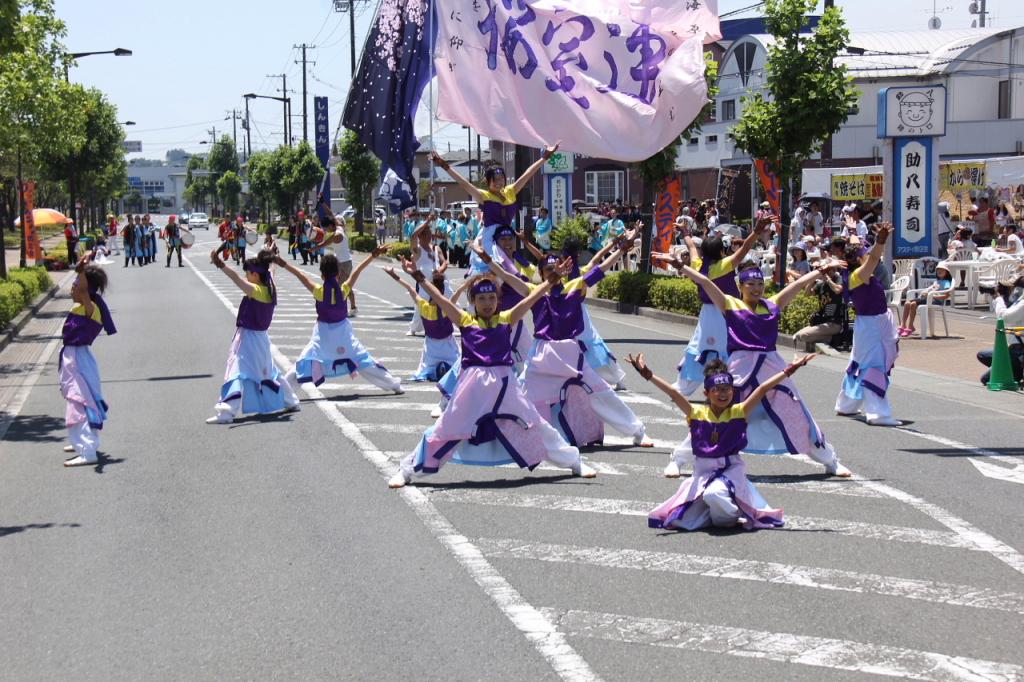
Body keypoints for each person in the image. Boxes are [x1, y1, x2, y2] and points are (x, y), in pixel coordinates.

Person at [387, 263, 599, 488]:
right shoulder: (465, 320)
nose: (487, 303)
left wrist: (550, 281)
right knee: (444, 429)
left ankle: (574, 463)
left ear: (498, 300)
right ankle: (407, 470)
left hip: (506, 388)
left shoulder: (506, 319)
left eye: (491, 298)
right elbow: (440, 299)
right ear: (473, 302)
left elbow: (530, 299)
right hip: (472, 391)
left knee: (536, 424)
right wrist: (420, 277)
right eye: (481, 299)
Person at [674, 259, 851, 477]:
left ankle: (830, 460)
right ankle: (679, 459)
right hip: (740, 367)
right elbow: (705, 282)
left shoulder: (772, 305)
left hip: (772, 366)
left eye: (759, 284)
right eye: (751, 284)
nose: (756, 288)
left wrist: (819, 271)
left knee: (797, 413)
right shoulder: (730, 304)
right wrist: (679, 266)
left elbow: (795, 286)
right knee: (717, 416)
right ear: (741, 286)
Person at [634, 355, 812, 530]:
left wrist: (789, 369)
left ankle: (735, 516)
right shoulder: (696, 413)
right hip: (703, 473)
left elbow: (764, 388)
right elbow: (673, 392)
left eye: (727, 389)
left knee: (714, 495)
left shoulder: (739, 411)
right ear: (706, 392)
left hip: (730, 470)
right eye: (717, 389)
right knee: (682, 521)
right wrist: (648, 375)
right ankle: (723, 515)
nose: (723, 393)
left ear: (732, 391)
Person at [517, 237, 651, 448]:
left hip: (571, 353)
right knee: (520, 393)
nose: (554, 271)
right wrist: (487, 258)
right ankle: (513, 436)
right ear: (541, 273)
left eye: (557, 267)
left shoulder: (574, 286)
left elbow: (602, 267)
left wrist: (620, 251)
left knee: (602, 393)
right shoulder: (535, 292)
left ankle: (637, 430)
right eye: (549, 269)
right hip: (542, 354)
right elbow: (506, 276)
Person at [657, 215, 772, 400]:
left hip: (706, 315)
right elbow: (744, 249)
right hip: (726, 313)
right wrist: (756, 231)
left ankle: (682, 388)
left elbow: (692, 247)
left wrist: (685, 232)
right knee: (731, 348)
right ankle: (736, 385)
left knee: (700, 348)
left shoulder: (697, 264)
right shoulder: (725, 265)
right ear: (721, 251)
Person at [276, 247, 403, 393]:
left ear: (322, 276)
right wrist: (372, 256)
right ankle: (394, 385)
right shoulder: (343, 290)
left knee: (304, 361)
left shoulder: (319, 291)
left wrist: (283, 263)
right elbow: (357, 271)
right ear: (338, 274)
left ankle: (282, 393)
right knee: (364, 361)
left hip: (322, 337)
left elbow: (300, 274)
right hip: (344, 336)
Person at [206, 248, 300, 424]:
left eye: (248, 273)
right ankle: (292, 401)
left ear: (256, 275)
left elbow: (234, 277)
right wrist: (269, 254)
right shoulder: (269, 286)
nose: (246, 276)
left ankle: (226, 413)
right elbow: (271, 270)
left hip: (249, 338)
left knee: (235, 372)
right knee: (269, 372)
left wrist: (220, 264)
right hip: (261, 339)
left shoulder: (256, 290)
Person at [432, 143, 558, 274]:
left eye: (501, 178)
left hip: (507, 234)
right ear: (488, 182)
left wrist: (545, 157)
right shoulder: (484, 196)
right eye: (494, 179)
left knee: (515, 266)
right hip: (491, 236)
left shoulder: (510, 191)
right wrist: (444, 165)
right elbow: (464, 183)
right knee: (493, 267)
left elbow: (528, 173)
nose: (499, 182)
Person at [835, 224, 902, 426]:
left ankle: (846, 404)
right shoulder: (858, 276)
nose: (868, 255)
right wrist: (880, 241)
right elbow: (874, 259)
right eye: (863, 253)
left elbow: (872, 259)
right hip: (871, 325)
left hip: (874, 323)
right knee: (874, 366)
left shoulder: (857, 277)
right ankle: (878, 413)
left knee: (858, 364)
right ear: (857, 260)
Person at [61, 252, 117, 467]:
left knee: (80, 402)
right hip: (75, 357)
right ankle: (84, 441)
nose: (72, 288)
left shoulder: (89, 307)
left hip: (79, 358)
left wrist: (81, 270)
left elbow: (84, 289)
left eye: (75, 285)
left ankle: (86, 449)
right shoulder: (81, 306)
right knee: (80, 401)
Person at [387, 266, 466, 383]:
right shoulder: (448, 307)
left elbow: (410, 288)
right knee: (458, 363)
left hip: (431, 346)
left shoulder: (424, 306)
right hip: (448, 344)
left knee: (428, 368)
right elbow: (458, 291)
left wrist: (394, 276)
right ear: (443, 291)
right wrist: (471, 280)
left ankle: (436, 370)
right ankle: (446, 368)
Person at [977, 275, 1024, 384]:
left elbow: (1004, 316)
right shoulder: (1018, 302)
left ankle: (1014, 372)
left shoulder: (1022, 303)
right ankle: (1010, 370)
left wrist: (999, 299)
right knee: (983, 355)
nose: (1010, 291)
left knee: (985, 379)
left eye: (1011, 288)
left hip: (1018, 351)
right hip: (1013, 348)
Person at [793, 270, 846, 348]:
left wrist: (828, 280)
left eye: (828, 270)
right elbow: (807, 294)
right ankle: (829, 338)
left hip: (835, 323)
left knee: (804, 336)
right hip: (822, 322)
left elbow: (838, 290)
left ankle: (833, 338)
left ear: (833, 269)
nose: (825, 273)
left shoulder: (838, 279)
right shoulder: (820, 284)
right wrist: (811, 280)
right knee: (796, 336)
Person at [898, 264, 952, 337]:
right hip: (927, 298)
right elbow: (931, 289)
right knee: (907, 303)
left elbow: (946, 295)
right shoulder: (936, 281)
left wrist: (933, 295)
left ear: (946, 272)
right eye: (938, 270)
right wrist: (926, 293)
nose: (939, 271)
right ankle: (903, 324)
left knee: (913, 304)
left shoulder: (946, 282)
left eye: (942, 270)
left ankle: (910, 326)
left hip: (935, 301)